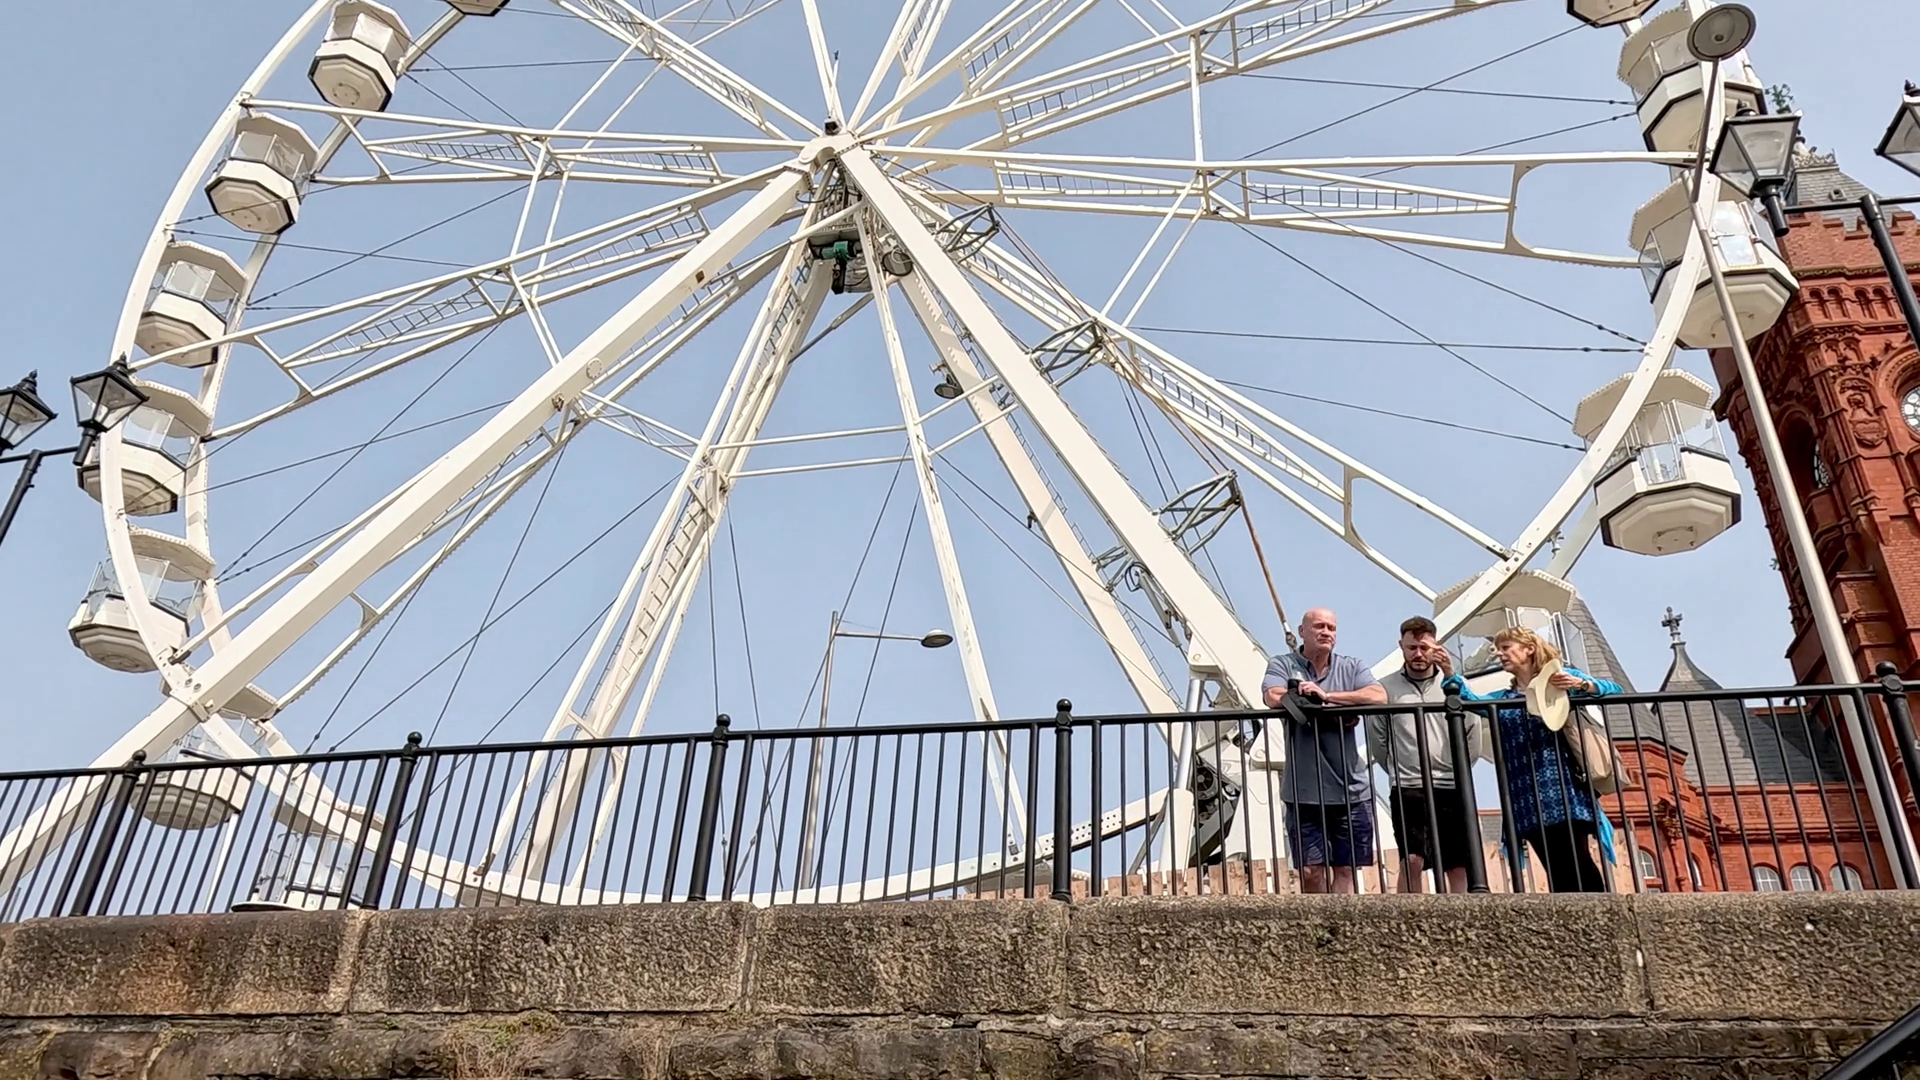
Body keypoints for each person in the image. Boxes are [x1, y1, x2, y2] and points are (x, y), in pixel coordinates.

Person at [1443, 626, 1621, 894]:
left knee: (1577, 861)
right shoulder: (1502, 699)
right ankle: (1572, 915)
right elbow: (1467, 699)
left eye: (1506, 648)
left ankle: (1601, 912)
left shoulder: (1558, 682)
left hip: (1563, 787)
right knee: (1554, 867)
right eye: (1498, 649)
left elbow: (1613, 690)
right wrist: (1448, 672)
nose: (1499, 654)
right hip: (1525, 794)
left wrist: (1582, 684)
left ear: (1529, 649)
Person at [1261, 608, 1387, 894]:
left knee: (1346, 869)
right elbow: (1272, 696)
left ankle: (1340, 922)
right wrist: (1312, 701)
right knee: (1310, 872)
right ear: (1301, 631)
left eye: (1331, 627)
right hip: (1303, 791)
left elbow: (1378, 695)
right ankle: (1317, 921)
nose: (1326, 632)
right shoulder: (1282, 664)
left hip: (1351, 790)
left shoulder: (1352, 666)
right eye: (1319, 626)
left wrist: (1327, 697)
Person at [1368, 616, 1482, 894]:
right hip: (1408, 784)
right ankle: (1408, 915)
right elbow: (1377, 739)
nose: (1418, 654)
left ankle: (1462, 915)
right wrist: (1398, 768)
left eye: (1424, 647)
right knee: (1412, 859)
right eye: (1412, 648)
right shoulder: (1385, 688)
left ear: (1436, 646)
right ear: (1401, 646)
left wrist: (1458, 768)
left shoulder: (1456, 685)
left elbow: (1473, 730)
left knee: (1457, 862)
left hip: (1451, 783)